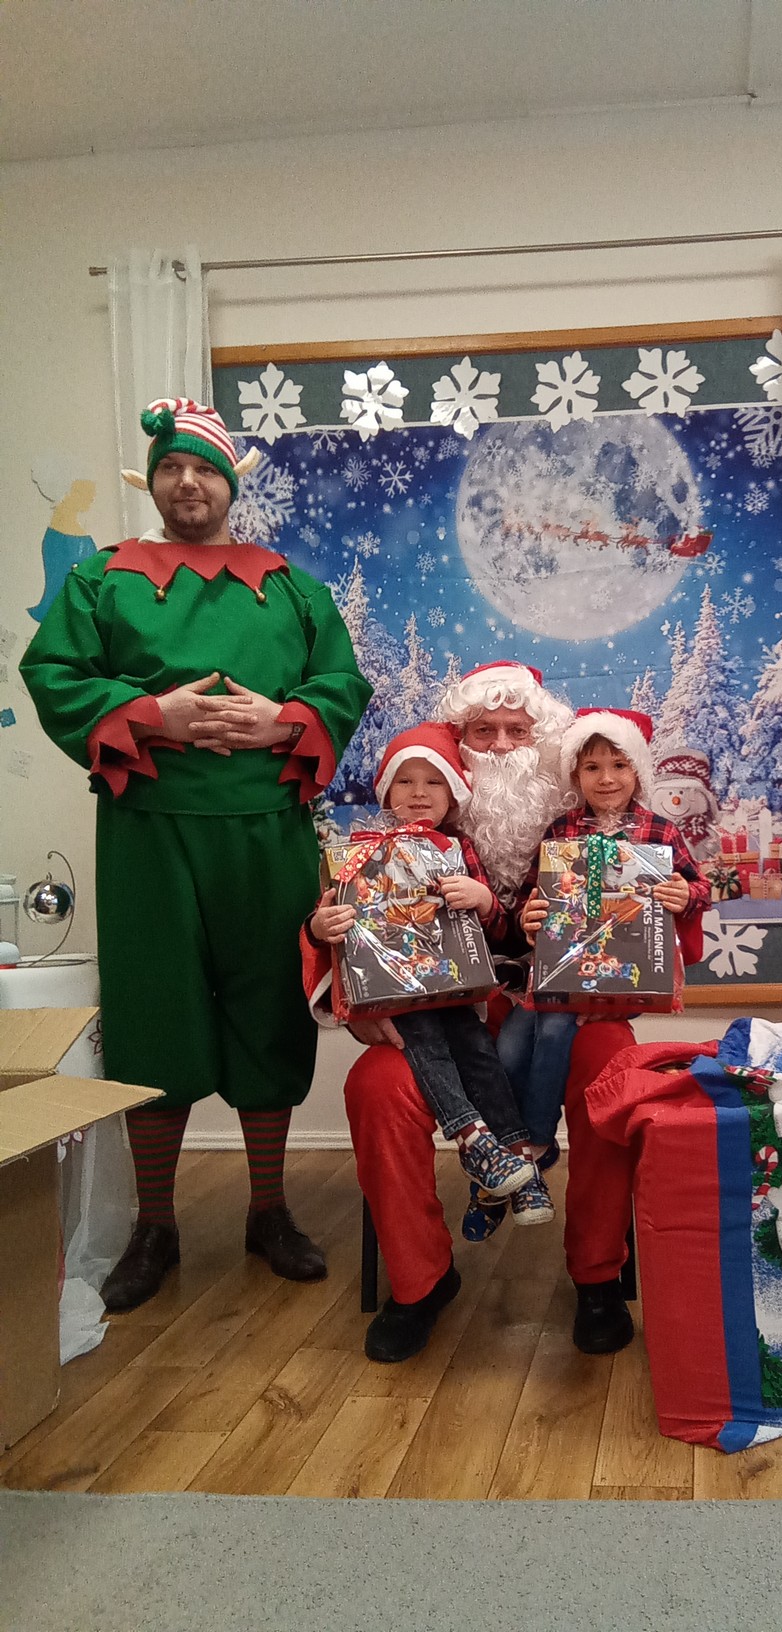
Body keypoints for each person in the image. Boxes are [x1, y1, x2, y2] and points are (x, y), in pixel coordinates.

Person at [21, 398, 371, 1312]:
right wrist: (153, 715)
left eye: (206, 468)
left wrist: (282, 720)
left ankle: (268, 1209)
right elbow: (52, 674)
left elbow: (341, 681)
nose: (189, 483)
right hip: (150, 833)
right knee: (155, 1012)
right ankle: (155, 1224)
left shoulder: (290, 586)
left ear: (230, 483)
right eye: (172, 467)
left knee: (271, 1007)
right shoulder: (102, 580)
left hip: (269, 828)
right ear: (152, 480)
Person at [341, 662, 655, 1361]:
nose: (504, 748)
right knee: (377, 1087)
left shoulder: (587, 820)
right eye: (484, 733)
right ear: (458, 747)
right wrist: (357, 1006)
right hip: (449, 1013)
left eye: (519, 732)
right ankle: (421, 1280)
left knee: (614, 1067)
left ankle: (597, 1273)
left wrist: (608, 972)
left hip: (569, 1008)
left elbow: (657, 929)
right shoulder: (412, 827)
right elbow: (346, 932)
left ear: (546, 743)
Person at [304, 722, 550, 1217]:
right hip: (395, 992)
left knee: (478, 1053)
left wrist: (483, 900)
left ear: (453, 792)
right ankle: (473, 1140)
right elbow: (327, 922)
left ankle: (519, 1158)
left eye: (434, 781)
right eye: (406, 781)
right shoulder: (359, 852)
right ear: (386, 790)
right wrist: (318, 926)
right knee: (426, 1047)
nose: (419, 793)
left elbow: (500, 931)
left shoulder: (459, 851)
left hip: (458, 990)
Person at [512, 708, 710, 1165]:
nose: (606, 779)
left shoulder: (659, 831)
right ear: (576, 776)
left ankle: (537, 1140)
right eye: (592, 767)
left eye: (619, 765)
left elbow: (700, 888)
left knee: (555, 1029)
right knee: (509, 1046)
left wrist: (685, 894)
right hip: (563, 969)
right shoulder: (561, 831)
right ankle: (511, 1132)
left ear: (637, 771)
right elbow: (530, 894)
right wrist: (530, 916)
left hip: (628, 974)